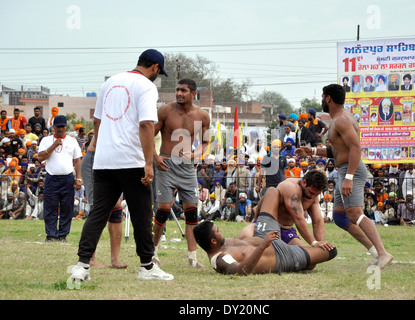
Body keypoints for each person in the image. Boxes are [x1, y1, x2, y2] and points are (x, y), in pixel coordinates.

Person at [70, 49, 173, 283]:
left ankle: (81, 266)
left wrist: (103, 146)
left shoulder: (110, 82)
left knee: (98, 213)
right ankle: (147, 267)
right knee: (141, 215)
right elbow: (146, 124)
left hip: (104, 160)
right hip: (131, 160)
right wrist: (149, 163)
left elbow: (97, 120)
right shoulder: (146, 86)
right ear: (156, 68)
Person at [298, 84, 393, 269]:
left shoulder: (341, 119)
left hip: (352, 170)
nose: (321, 101)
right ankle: (375, 252)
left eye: (322, 97)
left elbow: (355, 148)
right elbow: (338, 150)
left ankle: (383, 253)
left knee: (356, 213)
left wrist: (349, 177)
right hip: (345, 170)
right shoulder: (339, 119)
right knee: (341, 217)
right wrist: (313, 150)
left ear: (328, 99)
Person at [193, 187, 337, 275]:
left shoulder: (223, 243)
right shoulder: (220, 259)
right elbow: (240, 272)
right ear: (213, 241)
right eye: (218, 231)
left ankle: (258, 221)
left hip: (265, 233)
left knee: (272, 192)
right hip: (282, 256)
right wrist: (263, 246)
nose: (221, 231)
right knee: (330, 251)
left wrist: (257, 225)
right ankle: (305, 261)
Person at [153, 78, 210, 269]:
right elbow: (147, 135)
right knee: (163, 208)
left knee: (192, 212)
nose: (179, 93)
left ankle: (192, 258)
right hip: (166, 163)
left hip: (187, 166)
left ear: (193, 94)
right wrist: (155, 157)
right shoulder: (165, 111)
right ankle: (152, 254)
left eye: (183, 90)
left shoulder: (202, 116)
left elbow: (205, 142)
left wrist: (196, 153)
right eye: (177, 90)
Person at [240, 170, 333, 253]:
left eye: (316, 194)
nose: (313, 197)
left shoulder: (313, 196)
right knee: (244, 238)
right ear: (304, 182)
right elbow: (299, 218)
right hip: (267, 224)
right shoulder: (291, 188)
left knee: (307, 259)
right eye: (311, 193)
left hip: (286, 230)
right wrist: (313, 242)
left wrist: (320, 244)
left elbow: (317, 221)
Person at [79, 129, 128, 269]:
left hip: (115, 162)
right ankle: (90, 258)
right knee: (99, 209)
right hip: (96, 160)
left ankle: (115, 260)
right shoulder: (109, 114)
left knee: (117, 206)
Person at [38, 115, 82, 242]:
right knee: (50, 207)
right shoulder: (46, 140)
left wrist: (78, 179)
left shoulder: (72, 141)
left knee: (67, 208)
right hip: (52, 178)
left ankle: (63, 235)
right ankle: (51, 235)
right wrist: (54, 145)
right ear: (54, 127)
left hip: (68, 178)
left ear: (66, 127)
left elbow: (77, 160)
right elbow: (40, 158)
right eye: (58, 127)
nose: (60, 129)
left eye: (63, 126)